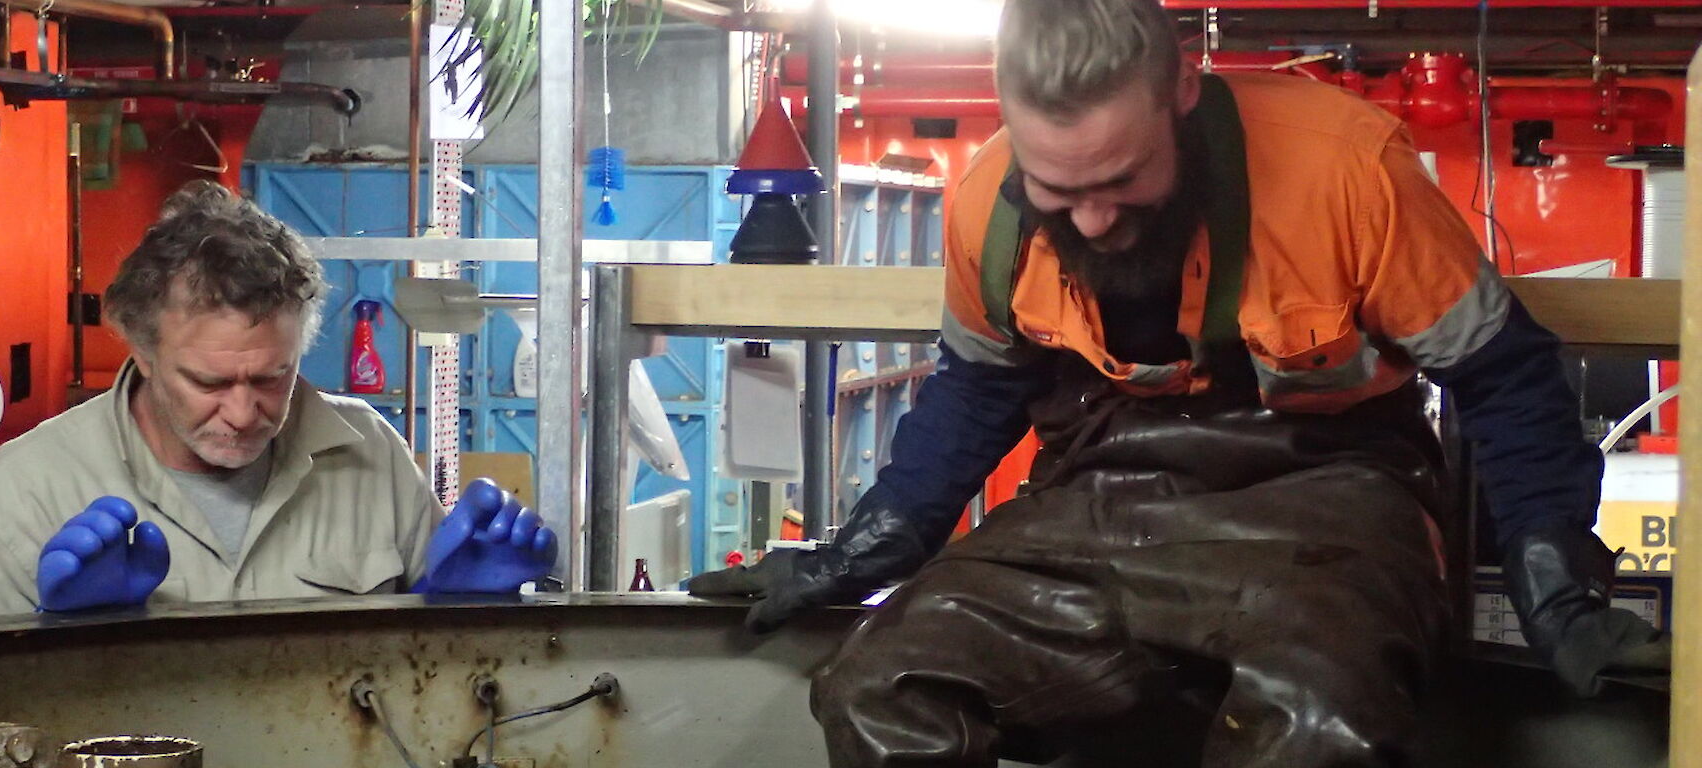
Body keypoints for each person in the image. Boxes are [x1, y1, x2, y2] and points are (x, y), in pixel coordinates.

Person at [687, 0, 1670, 764]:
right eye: (1058, 189)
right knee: (875, 687)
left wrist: (1556, 587)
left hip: (1331, 500)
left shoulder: (1346, 171)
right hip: (1099, 495)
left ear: (1183, 94)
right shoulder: (987, 201)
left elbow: (1504, 376)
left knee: (1322, 718)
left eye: (1119, 180)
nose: (1095, 221)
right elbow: (978, 388)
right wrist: (868, 545)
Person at [0, 181, 552, 621]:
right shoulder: (15, 500)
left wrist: (468, 613)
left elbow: (442, 699)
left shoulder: (370, 457)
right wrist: (62, 648)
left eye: (272, 378)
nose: (244, 412)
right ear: (141, 353)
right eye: (209, 383)